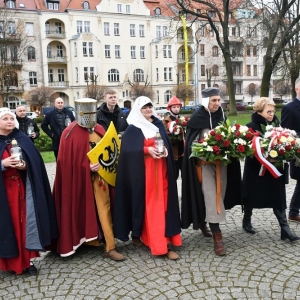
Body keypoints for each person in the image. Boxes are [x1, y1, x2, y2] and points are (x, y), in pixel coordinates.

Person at [52, 98, 124, 261]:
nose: (89, 117)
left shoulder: (99, 128)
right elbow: (65, 163)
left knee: (103, 208)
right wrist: (85, 167)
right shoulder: (68, 134)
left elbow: (109, 151)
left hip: (100, 179)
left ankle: (110, 246)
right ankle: (87, 240)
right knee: (79, 208)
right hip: (77, 181)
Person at [114, 96, 182, 260]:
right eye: (144, 107)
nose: (148, 110)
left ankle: (167, 239)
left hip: (162, 172)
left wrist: (165, 151)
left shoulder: (157, 124)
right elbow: (128, 151)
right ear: (138, 109)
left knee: (165, 205)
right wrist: (146, 151)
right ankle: (160, 245)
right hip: (144, 175)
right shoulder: (133, 128)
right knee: (152, 207)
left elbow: (163, 142)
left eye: (150, 107)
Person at [181, 87, 242, 256]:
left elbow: (228, 138)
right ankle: (218, 237)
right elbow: (191, 144)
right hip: (204, 166)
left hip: (222, 165)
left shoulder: (222, 116)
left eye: (218, 100)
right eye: (213, 100)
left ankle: (202, 221)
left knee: (219, 195)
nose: (217, 103)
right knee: (211, 196)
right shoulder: (197, 118)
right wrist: (204, 151)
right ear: (205, 101)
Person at [0, 107, 58, 275]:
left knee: (26, 223)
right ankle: (8, 262)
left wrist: (25, 166)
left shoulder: (22, 138)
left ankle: (28, 261)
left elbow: (34, 163)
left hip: (23, 190)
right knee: (7, 225)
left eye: (12, 118)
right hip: (4, 193)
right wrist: (3, 165)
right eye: (5, 119)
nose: (9, 121)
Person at [243, 97, 299, 241]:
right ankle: (247, 220)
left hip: (274, 168)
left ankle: (284, 228)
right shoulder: (251, 126)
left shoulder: (277, 124)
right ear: (259, 111)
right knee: (251, 195)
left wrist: (282, 153)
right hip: (256, 169)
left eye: (273, 111)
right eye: (268, 111)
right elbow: (249, 149)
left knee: (278, 196)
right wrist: (266, 156)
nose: (272, 114)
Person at [281, 78, 300, 223]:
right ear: (297, 88)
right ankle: (293, 212)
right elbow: (286, 133)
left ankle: (294, 211)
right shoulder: (289, 108)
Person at [163, 96, 184, 180]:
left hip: (183, 153)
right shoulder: (165, 121)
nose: (176, 109)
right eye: (174, 107)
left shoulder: (183, 120)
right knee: (173, 177)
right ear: (169, 108)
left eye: (178, 107)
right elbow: (165, 138)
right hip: (173, 154)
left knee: (185, 177)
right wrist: (177, 137)